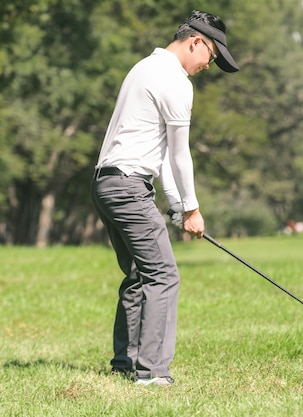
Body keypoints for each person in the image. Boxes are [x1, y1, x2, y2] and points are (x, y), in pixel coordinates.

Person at [91, 10, 239, 386]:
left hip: (107, 184)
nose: (210, 65)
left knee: (141, 274)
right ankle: (153, 373)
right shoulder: (175, 80)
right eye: (212, 55)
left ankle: (126, 364)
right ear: (196, 42)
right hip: (128, 187)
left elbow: (158, 156)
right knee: (163, 275)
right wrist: (192, 209)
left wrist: (175, 204)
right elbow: (179, 155)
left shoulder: (144, 67)